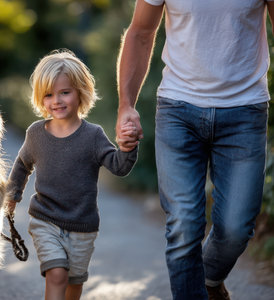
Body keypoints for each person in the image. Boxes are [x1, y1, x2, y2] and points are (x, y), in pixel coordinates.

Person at [116, 0, 274, 299]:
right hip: (178, 110)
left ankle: (209, 280)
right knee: (184, 224)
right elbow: (140, 32)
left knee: (236, 228)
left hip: (245, 110)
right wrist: (126, 106)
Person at [5, 49, 138, 300]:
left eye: (65, 92)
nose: (56, 100)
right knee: (57, 274)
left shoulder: (93, 135)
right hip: (45, 219)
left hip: (82, 226)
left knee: (74, 284)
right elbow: (22, 164)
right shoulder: (36, 133)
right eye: (48, 95)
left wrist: (128, 147)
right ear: (40, 98)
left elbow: (119, 166)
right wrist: (13, 195)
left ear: (80, 93)